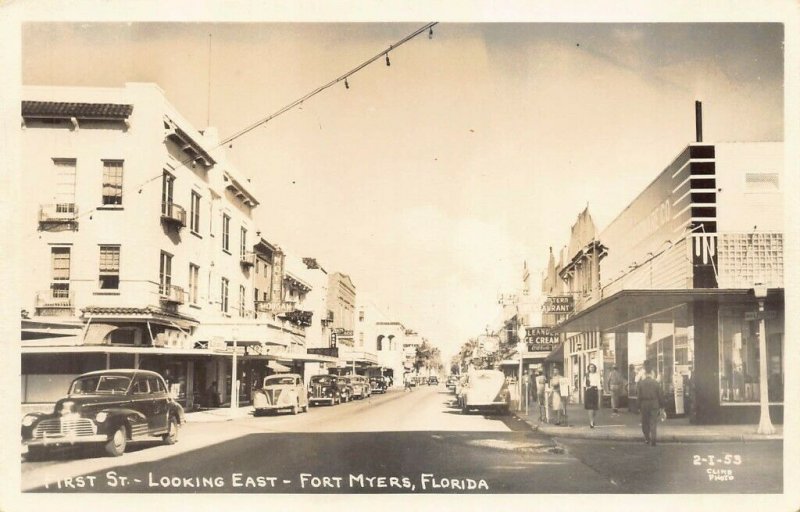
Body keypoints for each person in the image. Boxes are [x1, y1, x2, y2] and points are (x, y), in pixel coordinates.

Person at [636, 360, 665, 446]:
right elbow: (660, 395)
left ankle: (647, 438)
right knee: (653, 422)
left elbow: (639, 396)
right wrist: (662, 406)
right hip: (654, 404)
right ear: (652, 374)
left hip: (644, 404)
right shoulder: (656, 383)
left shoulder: (641, 383)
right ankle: (653, 439)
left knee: (645, 422)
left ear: (644, 374)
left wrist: (638, 407)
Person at [584, 363, 601, 428]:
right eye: (590, 367)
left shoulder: (597, 375)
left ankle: (593, 419)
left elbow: (599, 384)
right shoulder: (587, 375)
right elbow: (584, 384)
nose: (592, 368)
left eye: (593, 367)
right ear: (588, 368)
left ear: (595, 368)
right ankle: (591, 422)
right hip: (589, 391)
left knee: (594, 408)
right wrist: (587, 387)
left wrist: (599, 392)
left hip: (595, 390)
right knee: (590, 408)